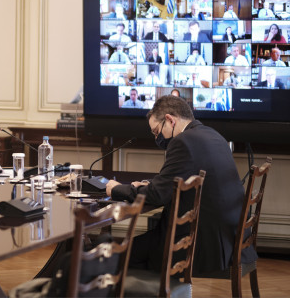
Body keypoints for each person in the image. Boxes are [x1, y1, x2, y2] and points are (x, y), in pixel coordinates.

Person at [105, 95, 257, 275]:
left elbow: (157, 195)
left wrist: (116, 189)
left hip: (200, 245)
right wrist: (150, 184)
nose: (157, 137)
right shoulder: (212, 135)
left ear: (170, 120)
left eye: (156, 131)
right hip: (230, 241)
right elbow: (176, 179)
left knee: (112, 255)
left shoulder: (183, 141)